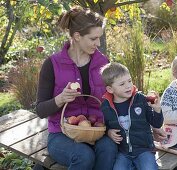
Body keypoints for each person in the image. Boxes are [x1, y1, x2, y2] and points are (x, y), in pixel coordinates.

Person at [35, 7, 117, 170]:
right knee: (83, 156)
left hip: (96, 130)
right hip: (61, 134)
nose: (98, 44)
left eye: (99, 38)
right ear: (77, 36)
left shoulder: (103, 63)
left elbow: (111, 100)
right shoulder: (52, 64)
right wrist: (61, 99)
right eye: (93, 38)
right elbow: (40, 110)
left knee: (108, 149)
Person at [100, 62, 164, 170]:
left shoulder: (140, 100)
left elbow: (156, 123)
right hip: (122, 152)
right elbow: (104, 126)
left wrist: (157, 109)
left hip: (144, 150)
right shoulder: (106, 106)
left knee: (149, 168)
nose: (128, 86)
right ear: (110, 89)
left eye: (129, 81)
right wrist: (108, 132)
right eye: (122, 84)